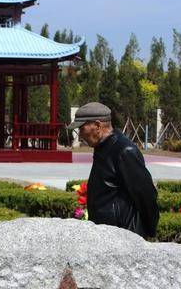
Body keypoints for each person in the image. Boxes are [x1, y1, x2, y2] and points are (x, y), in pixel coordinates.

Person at [68, 101, 159, 237]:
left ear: (98, 125)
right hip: (106, 234)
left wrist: (147, 233)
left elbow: (146, 195)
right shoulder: (103, 148)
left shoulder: (124, 151)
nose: (80, 135)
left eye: (82, 128)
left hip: (123, 235)